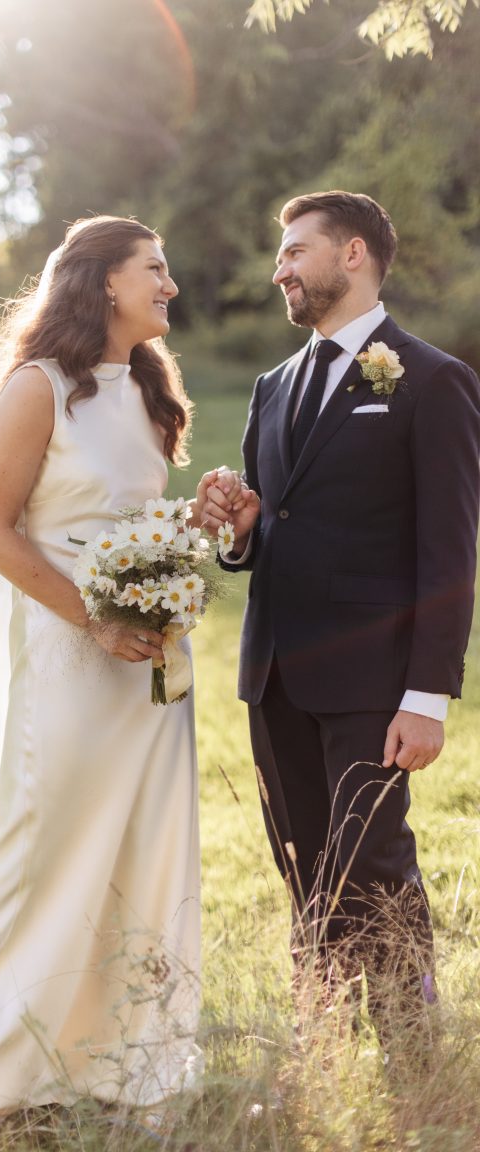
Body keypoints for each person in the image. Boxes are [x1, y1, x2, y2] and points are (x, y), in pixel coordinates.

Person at [0, 215, 226, 1150]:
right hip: (72, 660)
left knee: (139, 850)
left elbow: (131, 520)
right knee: (38, 846)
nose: (171, 286)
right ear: (105, 282)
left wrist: (203, 518)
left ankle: (111, 1061)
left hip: (150, 672)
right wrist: (98, 620)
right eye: (156, 269)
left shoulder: (148, 388)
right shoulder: (38, 389)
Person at [203, 191, 480, 1048]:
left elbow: (451, 550)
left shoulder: (432, 380)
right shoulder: (272, 386)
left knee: (374, 865)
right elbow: (269, 523)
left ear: (352, 254)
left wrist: (427, 697)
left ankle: (409, 1044)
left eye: (295, 251)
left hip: (374, 678)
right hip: (275, 670)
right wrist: (238, 536)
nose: (280, 268)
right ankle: (326, 1032)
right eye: (280, 255)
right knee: (303, 865)